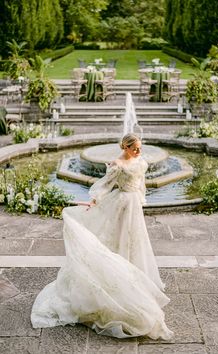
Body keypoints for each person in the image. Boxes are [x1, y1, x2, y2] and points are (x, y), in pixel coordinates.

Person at [31, 133, 173, 340]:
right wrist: (95, 200)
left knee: (136, 240)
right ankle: (119, 276)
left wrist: (140, 198)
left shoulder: (141, 162)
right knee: (117, 238)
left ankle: (136, 276)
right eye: (135, 148)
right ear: (125, 147)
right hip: (121, 202)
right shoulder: (116, 164)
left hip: (133, 205)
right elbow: (106, 185)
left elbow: (141, 183)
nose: (139, 151)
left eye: (140, 148)